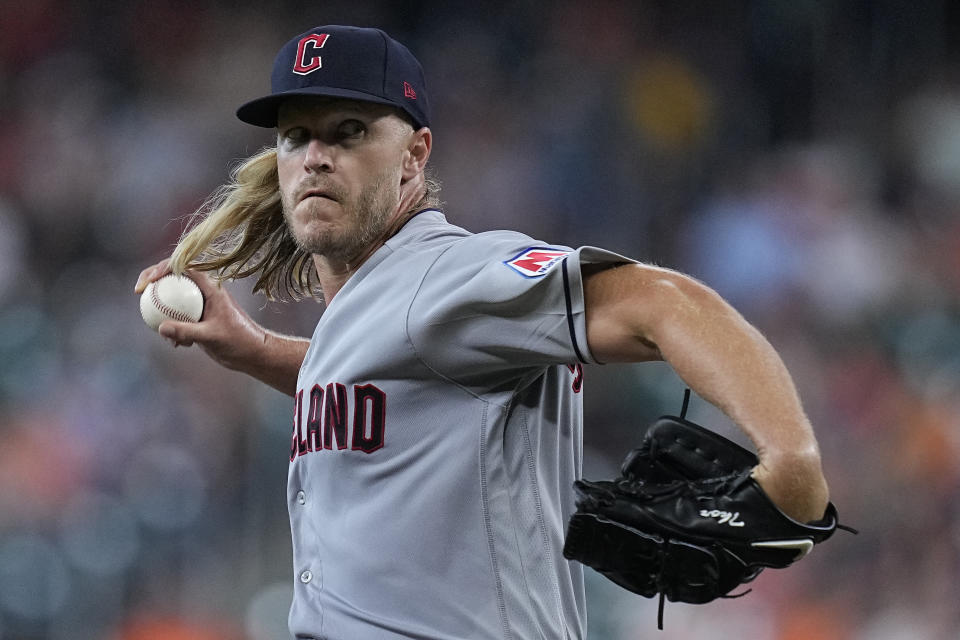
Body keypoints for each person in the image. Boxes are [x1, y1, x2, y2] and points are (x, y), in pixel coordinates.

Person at [135, 25, 830, 640]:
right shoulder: (387, 309)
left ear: (414, 155)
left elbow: (664, 302)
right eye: (296, 136)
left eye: (349, 131)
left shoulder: (450, 275)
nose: (316, 156)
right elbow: (394, 389)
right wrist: (256, 351)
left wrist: (791, 457)